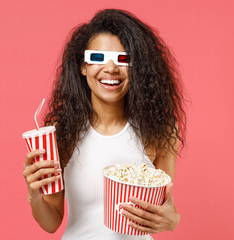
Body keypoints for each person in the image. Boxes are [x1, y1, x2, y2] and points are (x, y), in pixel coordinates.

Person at [22, 9, 186, 240]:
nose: (110, 68)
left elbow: (165, 205)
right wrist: (34, 195)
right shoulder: (61, 133)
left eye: (124, 59)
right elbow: (51, 223)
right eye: (97, 58)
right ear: (83, 66)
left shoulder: (159, 130)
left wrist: (172, 221)